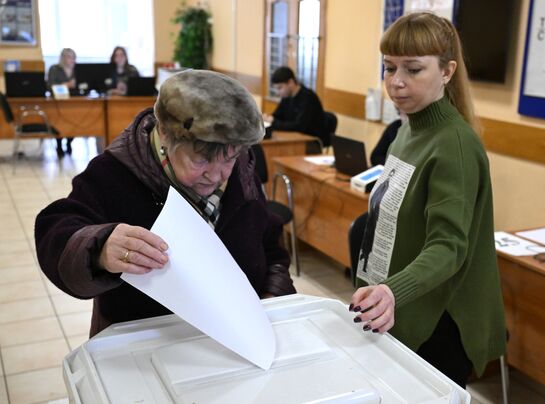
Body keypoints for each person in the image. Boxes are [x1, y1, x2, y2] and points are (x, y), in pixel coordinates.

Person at [35, 70, 296, 337]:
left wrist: (274, 299)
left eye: (229, 159)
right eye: (200, 160)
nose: (217, 176)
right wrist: (100, 248)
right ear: (165, 134)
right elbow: (56, 232)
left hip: (236, 340)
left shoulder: (241, 168)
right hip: (144, 347)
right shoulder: (113, 172)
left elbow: (270, 245)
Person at [349, 12, 506, 388]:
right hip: (401, 306)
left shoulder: (454, 144)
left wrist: (391, 291)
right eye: (389, 68)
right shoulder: (409, 130)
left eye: (413, 69)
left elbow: (449, 246)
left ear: (447, 71)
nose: (396, 82)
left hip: (439, 319)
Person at [263, 66, 328, 146]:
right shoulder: (286, 96)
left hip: (311, 141)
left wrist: (273, 121)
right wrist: (268, 117)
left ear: (290, 83)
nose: (278, 93)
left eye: (280, 88)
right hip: (293, 138)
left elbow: (299, 126)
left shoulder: (308, 97)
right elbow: (278, 115)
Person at [47, 48, 76, 156]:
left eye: (72, 57)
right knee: (58, 122)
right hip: (58, 102)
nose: (70, 60)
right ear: (62, 58)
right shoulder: (54, 69)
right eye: (68, 57)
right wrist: (67, 85)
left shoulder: (77, 70)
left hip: (74, 102)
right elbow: (50, 86)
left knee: (76, 120)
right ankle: (59, 144)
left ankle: (69, 142)